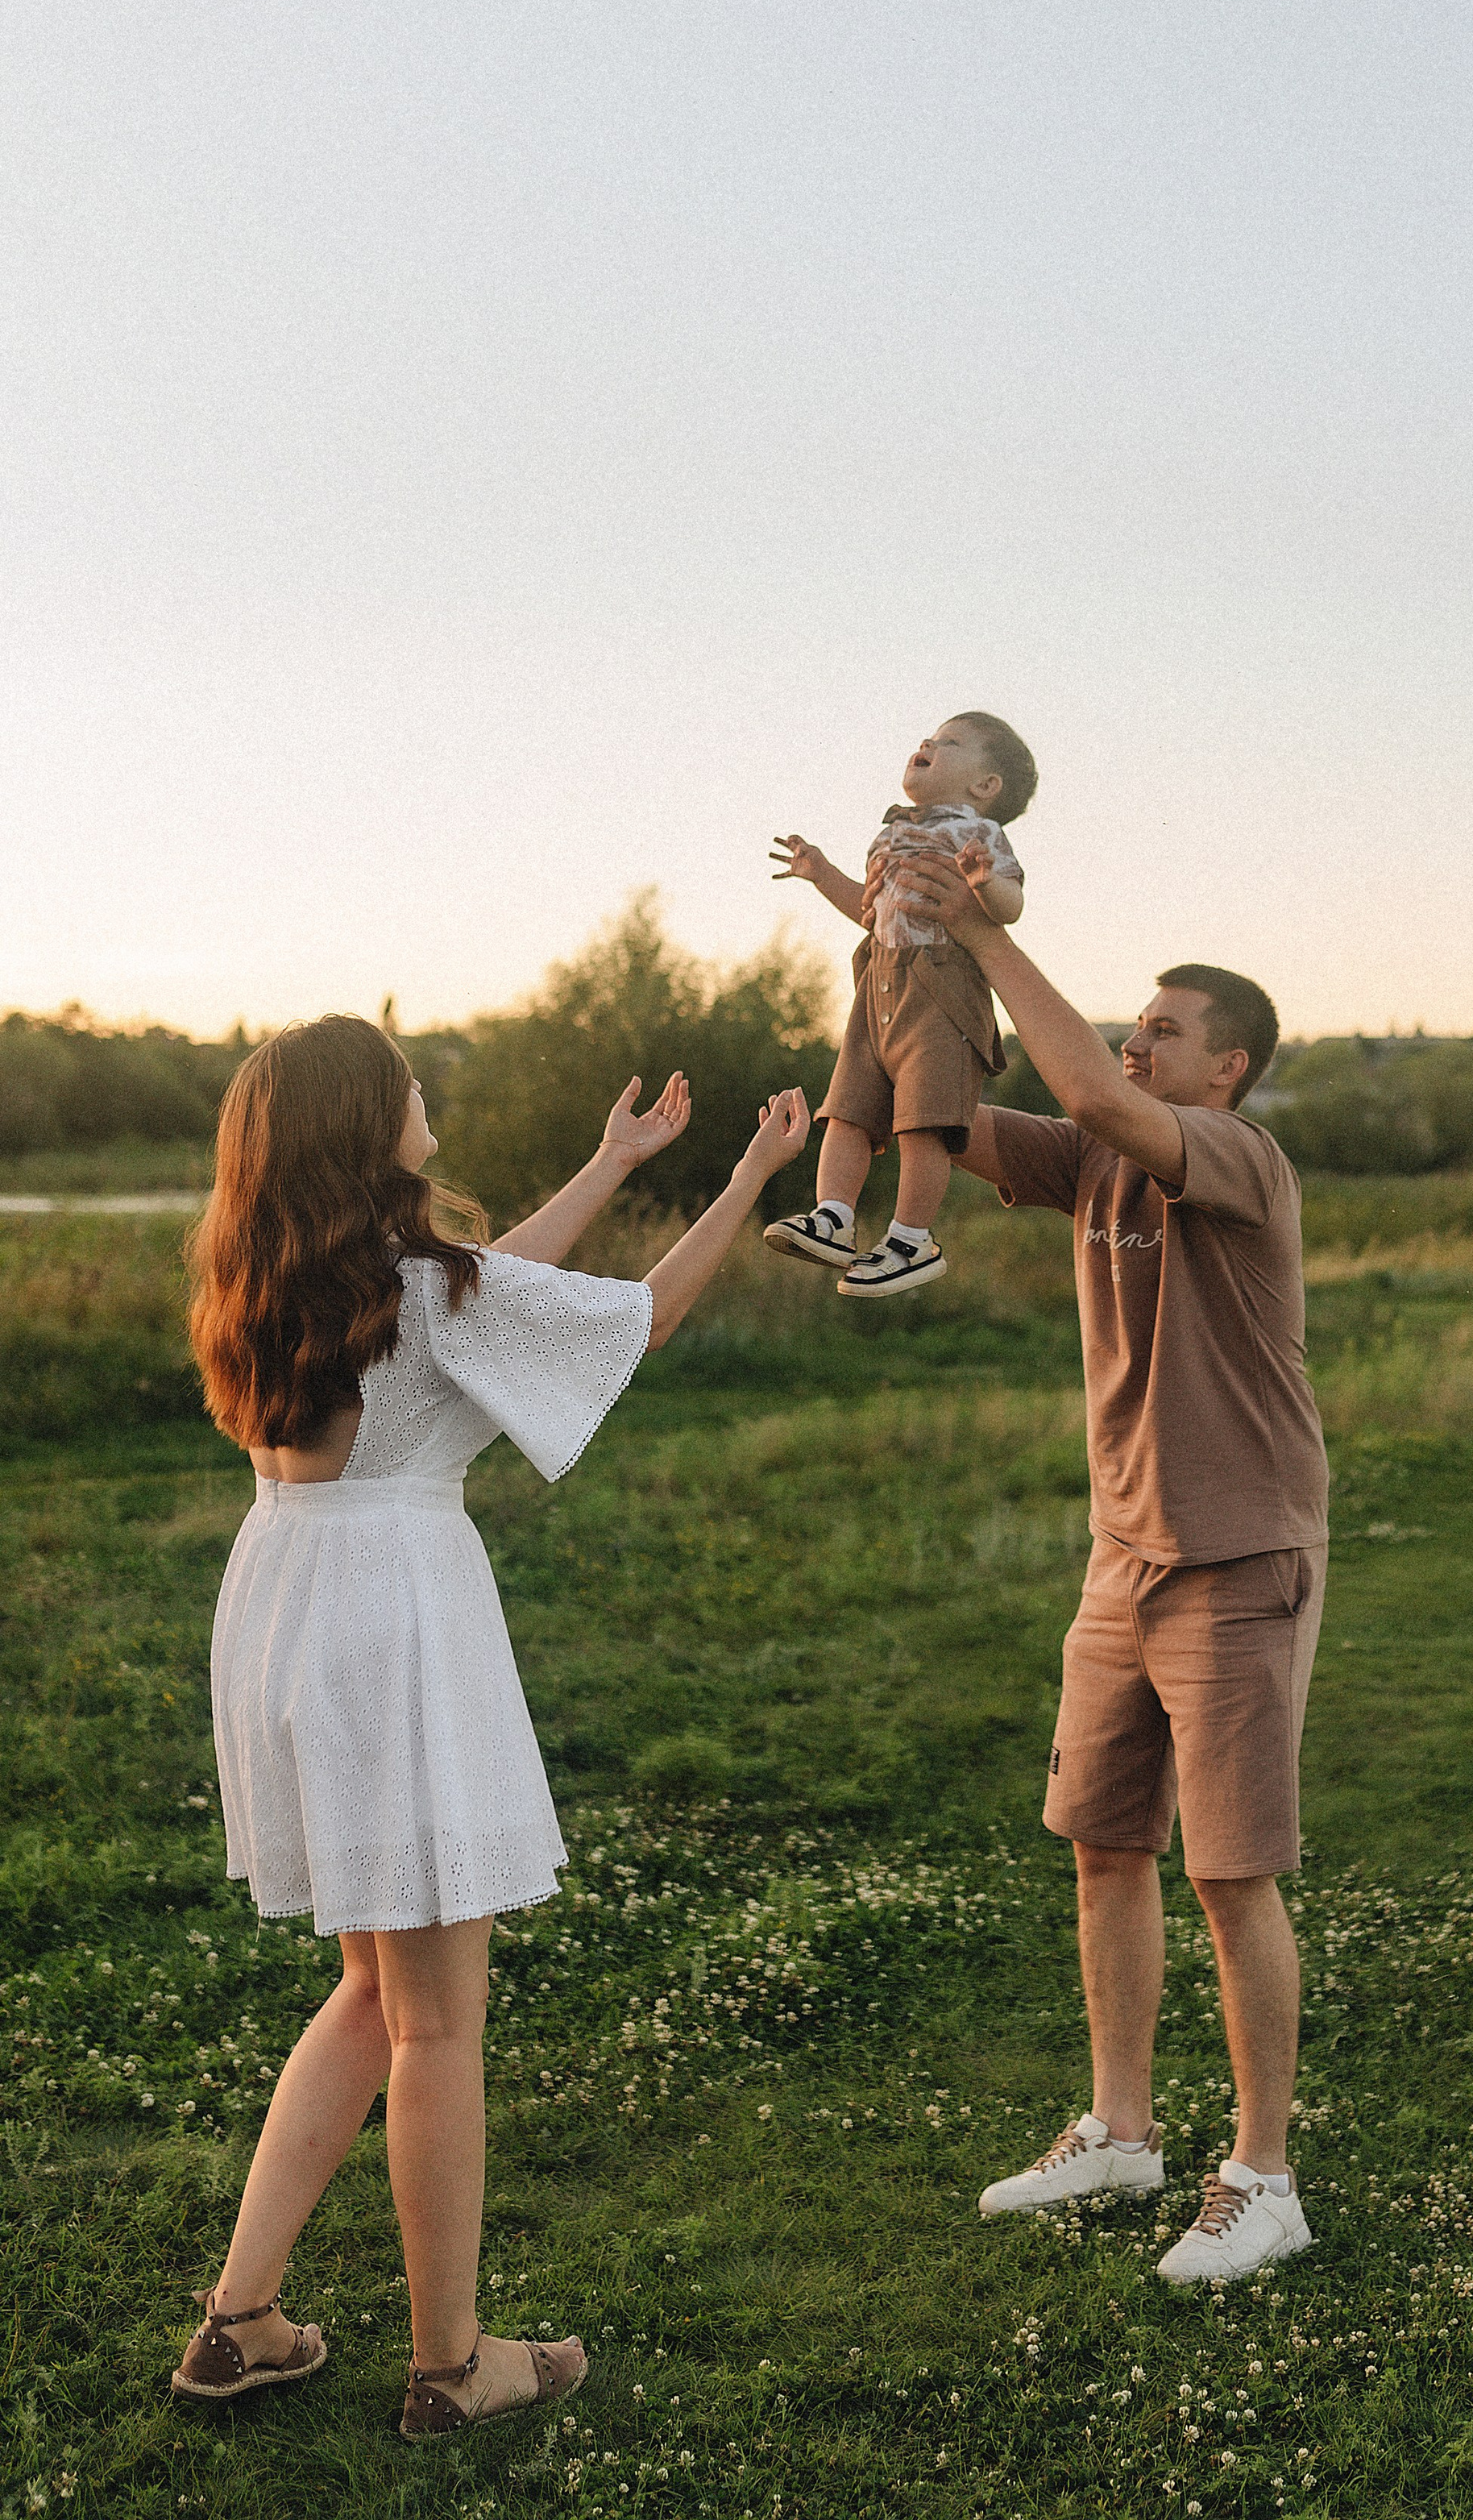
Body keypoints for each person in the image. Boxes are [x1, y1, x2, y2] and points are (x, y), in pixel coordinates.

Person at [171, 1016, 809, 2436]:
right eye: (403, 1076)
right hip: (392, 1614)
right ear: (361, 1120)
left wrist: (606, 1159)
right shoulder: (421, 1288)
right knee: (440, 2015)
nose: (423, 1087)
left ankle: (240, 2321)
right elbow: (628, 1315)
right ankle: (454, 2361)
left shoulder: (275, 1275)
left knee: (374, 1989)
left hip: (288, 1597)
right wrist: (748, 1174)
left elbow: (481, 1291)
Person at [907, 847, 1328, 2287]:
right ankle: (1122, 2129)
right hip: (1123, 1555)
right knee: (1103, 1842)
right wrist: (903, 946)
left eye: (1166, 1028)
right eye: (1137, 1021)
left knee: (1232, 1872)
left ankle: (1263, 2177)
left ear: (1230, 1068)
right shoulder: (1090, 1158)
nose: (1138, 1038)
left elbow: (1091, 1086)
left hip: (1237, 1551)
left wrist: (984, 923)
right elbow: (939, 1111)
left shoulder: (1238, 1159)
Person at [765, 710, 1036, 1298]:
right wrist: (821, 873)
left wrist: (986, 882)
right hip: (878, 982)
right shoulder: (888, 834)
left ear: (985, 786)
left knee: (924, 1121)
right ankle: (833, 1217)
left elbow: (1010, 906)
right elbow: (867, 908)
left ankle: (911, 1238)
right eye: (929, 737)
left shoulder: (979, 835)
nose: (927, 743)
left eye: (950, 742)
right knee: (848, 1111)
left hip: (942, 985)